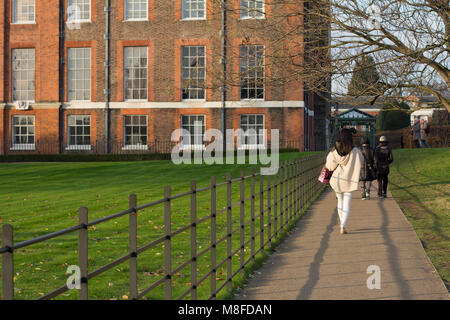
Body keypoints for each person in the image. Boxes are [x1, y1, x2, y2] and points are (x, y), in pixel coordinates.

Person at [325, 128, 363, 235]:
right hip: (349, 181)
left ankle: (342, 223)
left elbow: (330, 167)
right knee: (347, 203)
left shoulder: (334, 151)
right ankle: (343, 226)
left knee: (339, 202)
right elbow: (361, 163)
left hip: (337, 180)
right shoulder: (355, 152)